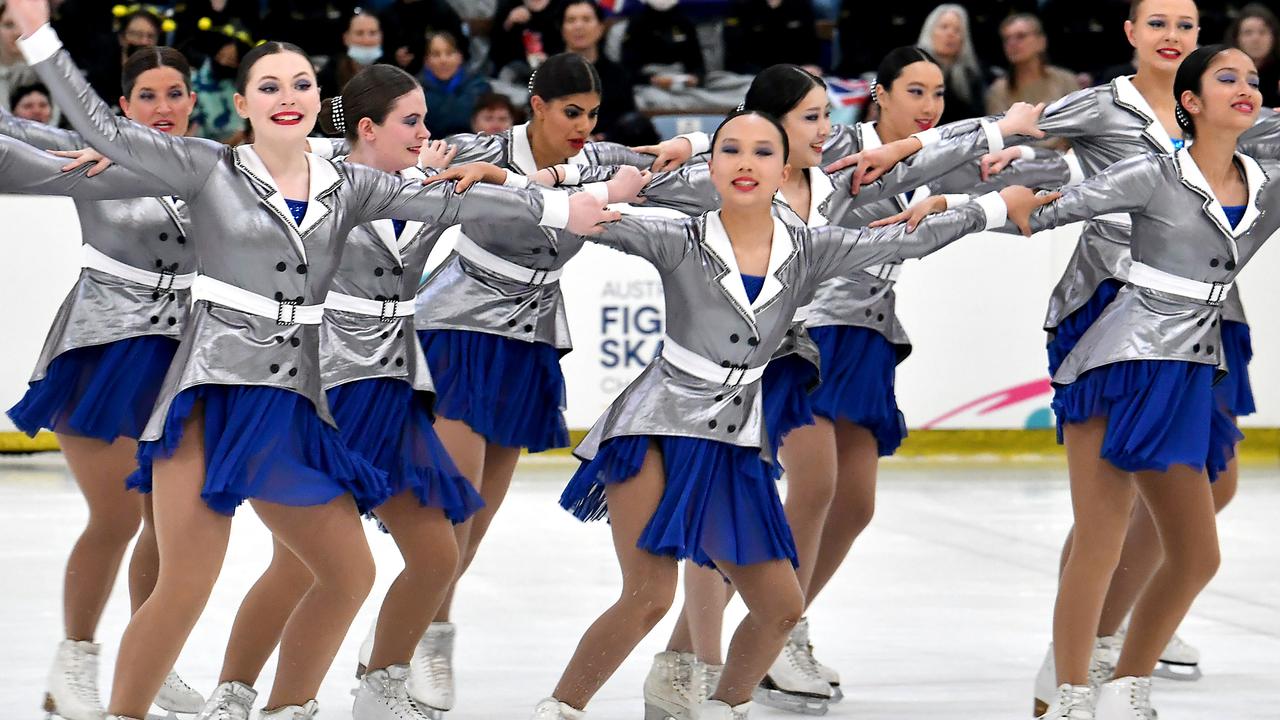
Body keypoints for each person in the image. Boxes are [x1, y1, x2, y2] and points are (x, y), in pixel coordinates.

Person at [9, 4, 613, 716]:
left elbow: (453, 207)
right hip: (210, 399)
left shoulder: (348, 187)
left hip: (295, 406)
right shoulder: (209, 168)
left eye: (299, 84)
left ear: (315, 100)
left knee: (347, 572)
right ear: (241, 103)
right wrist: (38, 34)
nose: (286, 97)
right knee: (186, 585)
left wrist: (565, 210)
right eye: (268, 86)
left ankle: (287, 706)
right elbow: (102, 131)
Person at [537, 109, 1051, 720]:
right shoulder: (679, 236)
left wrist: (989, 208)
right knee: (648, 596)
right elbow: (570, 210)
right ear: (713, 167)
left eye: (761, 153)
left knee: (781, 606)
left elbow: (907, 238)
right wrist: (544, 188)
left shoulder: (811, 250)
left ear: (784, 171)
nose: (745, 164)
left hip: (732, 441)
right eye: (730, 151)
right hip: (653, 429)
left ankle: (724, 708)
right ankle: (560, 710)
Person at [899, 43, 1277, 720]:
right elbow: (1045, 208)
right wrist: (955, 205)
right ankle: (1070, 692)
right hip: (1111, 363)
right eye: (1227, 78)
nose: (1246, 87)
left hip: (1189, 368)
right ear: (1189, 103)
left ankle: (1125, 683)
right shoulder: (1154, 173)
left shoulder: (1267, 184)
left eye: (1252, 78)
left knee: (1196, 556)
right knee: (1101, 534)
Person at [408, 52, 659, 714]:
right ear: (538, 105)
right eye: (570, 111)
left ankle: (418, 634)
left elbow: (667, 169)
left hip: (528, 342)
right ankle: (419, 645)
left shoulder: (597, 158)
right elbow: (368, 134)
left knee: (479, 522)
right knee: (452, 513)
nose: (583, 124)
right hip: (458, 329)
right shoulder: (477, 147)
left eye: (593, 114)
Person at [986, 13, 1080, 151]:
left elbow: (1080, 127)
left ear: (1041, 41)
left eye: (1020, 36)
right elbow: (999, 138)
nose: (1012, 43)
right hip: (1018, 162)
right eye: (1007, 39)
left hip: (1065, 159)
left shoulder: (1065, 80)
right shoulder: (998, 90)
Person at [559, 0, 636, 140]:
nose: (578, 26)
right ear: (562, 29)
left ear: (601, 28)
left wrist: (603, 138)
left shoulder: (618, 74)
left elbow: (627, 118)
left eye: (586, 19)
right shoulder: (547, 74)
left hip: (609, 150)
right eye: (571, 20)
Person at [916, 4, 986, 123]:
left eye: (957, 30)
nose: (950, 34)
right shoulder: (910, 66)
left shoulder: (971, 76)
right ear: (930, 31)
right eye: (944, 27)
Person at [621, 0, 705, 92]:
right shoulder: (636, 24)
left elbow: (697, 63)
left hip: (681, 81)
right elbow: (627, 70)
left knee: (720, 82)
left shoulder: (685, 22)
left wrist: (696, 78)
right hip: (649, 83)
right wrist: (652, 80)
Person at [721, 0, 821, 76]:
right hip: (753, 74)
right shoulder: (742, 5)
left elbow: (810, 43)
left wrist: (810, 65)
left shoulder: (800, 4)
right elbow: (736, 53)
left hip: (796, 73)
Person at [421, 30, 490, 138]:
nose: (443, 60)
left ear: (460, 57)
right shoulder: (414, 89)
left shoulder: (479, 86)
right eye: (436, 54)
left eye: (449, 53)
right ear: (426, 61)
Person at [378, 0, 469, 77]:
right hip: (403, 78)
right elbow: (380, 54)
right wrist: (395, 57)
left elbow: (462, 48)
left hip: (444, 78)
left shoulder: (442, 10)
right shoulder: (387, 15)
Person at [318, 11, 390, 101]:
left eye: (373, 33)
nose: (366, 40)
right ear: (346, 38)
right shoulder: (329, 74)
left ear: (381, 37)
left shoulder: (392, 71)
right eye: (359, 33)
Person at [489, 0, 564, 80]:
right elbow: (495, 52)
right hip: (514, 67)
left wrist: (550, 59)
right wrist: (508, 22)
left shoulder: (562, 5)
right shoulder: (509, 4)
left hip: (553, 67)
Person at [1226, 3, 1280, 107]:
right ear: (1237, 38)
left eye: (1262, 32)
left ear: (1274, 37)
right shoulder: (1224, 73)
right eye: (1248, 33)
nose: (1255, 39)